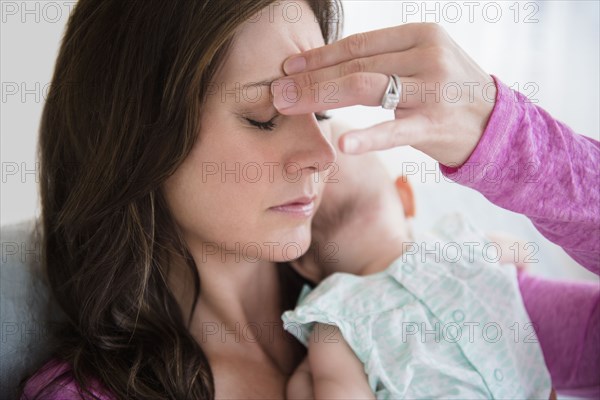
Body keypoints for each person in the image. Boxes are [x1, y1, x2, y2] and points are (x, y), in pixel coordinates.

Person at [19, 0, 599, 398]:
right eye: (265, 117)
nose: (325, 154)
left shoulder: (446, 299)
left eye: (321, 110)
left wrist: (508, 140)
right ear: (136, 145)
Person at [281, 146, 555, 399]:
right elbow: (520, 251)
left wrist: (302, 382)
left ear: (302, 262)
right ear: (406, 197)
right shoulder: (457, 243)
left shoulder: (335, 322)